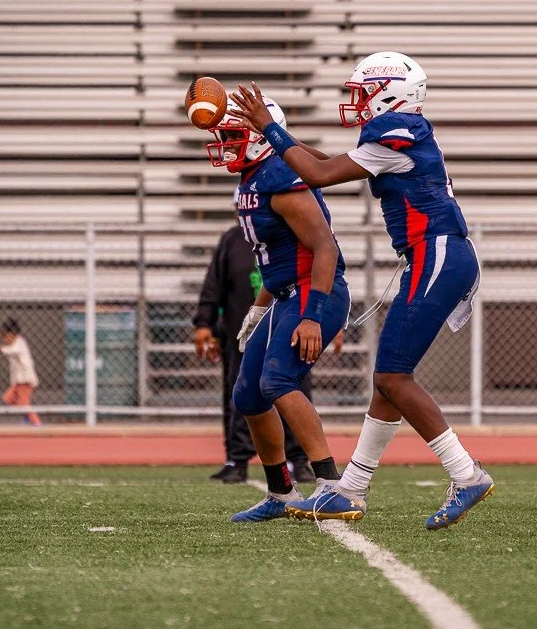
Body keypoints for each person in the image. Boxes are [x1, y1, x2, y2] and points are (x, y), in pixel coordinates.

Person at [229, 51, 494, 530]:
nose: (356, 102)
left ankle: (466, 473)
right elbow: (325, 161)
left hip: (437, 252)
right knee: (388, 382)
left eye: (363, 92)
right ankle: (351, 487)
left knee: (394, 378)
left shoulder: (397, 133)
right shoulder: (402, 134)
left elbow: (319, 174)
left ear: (389, 93)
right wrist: (276, 133)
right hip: (433, 255)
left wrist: (270, 130)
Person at [205, 94, 350, 522]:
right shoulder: (252, 179)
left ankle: (331, 485)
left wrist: (313, 314)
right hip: (284, 294)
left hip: (314, 292)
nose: (226, 144)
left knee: (277, 380)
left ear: (258, 136)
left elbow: (325, 248)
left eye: (234, 135)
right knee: (247, 395)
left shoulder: (280, 175)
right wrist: (257, 309)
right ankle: (281, 492)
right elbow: (277, 261)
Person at [193, 220, 319, 484]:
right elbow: (214, 284)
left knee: (294, 391)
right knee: (240, 392)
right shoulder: (232, 239)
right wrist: (205, 323)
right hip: (242, 331)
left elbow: (319, 275)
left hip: (289, 329)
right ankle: (237, 460)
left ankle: (299, 460)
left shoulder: (295, 232)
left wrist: (321, 316)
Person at [0, 317, 41, 426]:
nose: (4, 340)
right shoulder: (13, 345)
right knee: (8, 398)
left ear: (12, 334)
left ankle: (37, 423)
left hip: (25, 380)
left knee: (24, 402)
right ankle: (26, 415)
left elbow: (12, 351)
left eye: (5, 336)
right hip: (18, 381)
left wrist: (0, 348)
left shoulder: (20, 343)